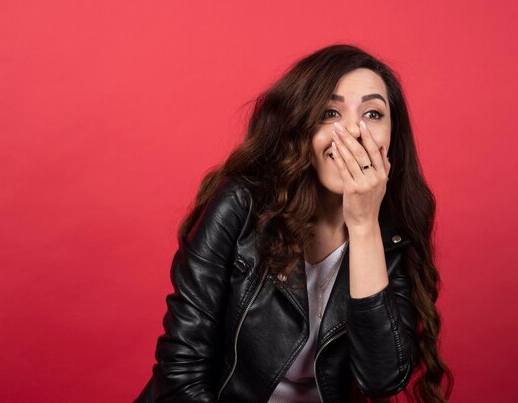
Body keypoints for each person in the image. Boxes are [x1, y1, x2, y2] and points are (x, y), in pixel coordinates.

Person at [134, 44, 454, 403]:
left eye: (374, 114)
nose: (354, 131)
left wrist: (364, 226)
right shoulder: (239, 204)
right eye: (331, 112)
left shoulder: (395, 230)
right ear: (299, 126)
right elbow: (180, 376)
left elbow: (381, 379)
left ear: (393, 138)